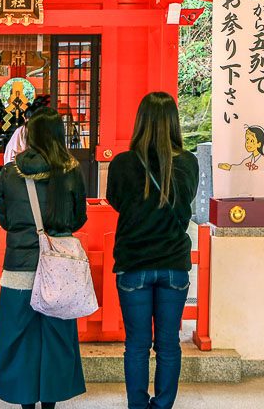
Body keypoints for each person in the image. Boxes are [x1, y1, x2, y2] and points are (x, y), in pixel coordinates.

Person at [106, 92, 200, 409]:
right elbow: (186, 201)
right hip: (174, 264)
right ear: (173, 123)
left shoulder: (122, 163)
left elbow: (116, 202)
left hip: (134, 264)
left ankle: (137, 405)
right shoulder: (188, 163)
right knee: (169, 344)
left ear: (141, 121)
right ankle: (161, 406)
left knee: (136, 344)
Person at [0, 108, 88, 409]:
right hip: (59, 271)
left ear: (29, 135)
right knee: (56, 342)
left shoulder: (10, 172)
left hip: (19, 270)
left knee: (20, 342)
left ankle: (26, 406)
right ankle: (50, 404)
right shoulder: (71, 170)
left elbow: (4, 219)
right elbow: (78, 218)